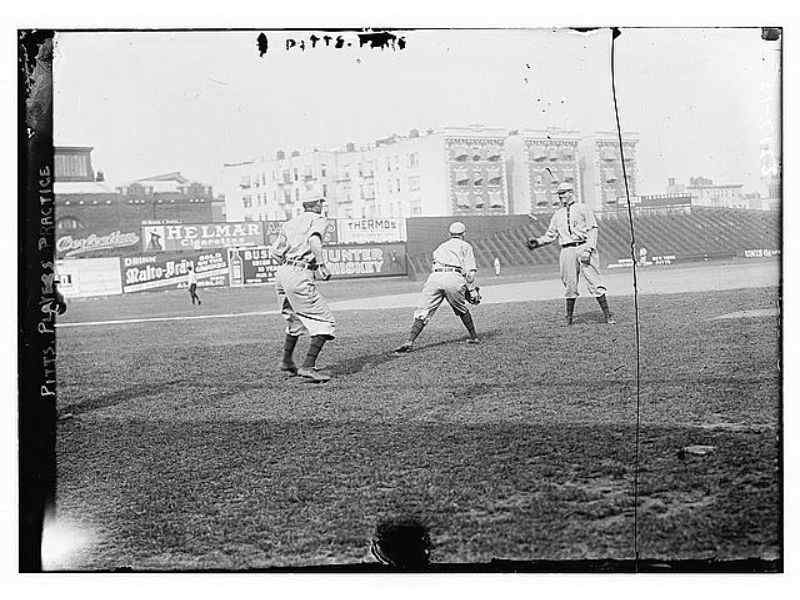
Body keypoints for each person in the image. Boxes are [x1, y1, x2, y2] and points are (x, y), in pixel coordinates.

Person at [526, 181, 615, 325]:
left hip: (584, 246)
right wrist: (538, 242)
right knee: (570, 285)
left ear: (571, 192)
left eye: (563, 193)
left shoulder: (583, 208)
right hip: (567, 249)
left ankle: (607, 315)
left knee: (594, 282)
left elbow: (593, 229)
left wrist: (589, 249)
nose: (561, 197)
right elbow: (551, 235)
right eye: (559, 194)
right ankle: (569, 318)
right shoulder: (557, 214)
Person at [269, 198, 335, 382]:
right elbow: (314, 239)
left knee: (294, 322)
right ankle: (308, 367)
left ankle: (287, 361)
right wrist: (321, 264)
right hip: (300, 272)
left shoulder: (290, 223)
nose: (322, 206)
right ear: (316, 205)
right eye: (321, 203)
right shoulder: (318, 219)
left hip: (282, 273)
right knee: (325, 321)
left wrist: (288, 267)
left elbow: (274, 252)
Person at [394, 221, 479, 352]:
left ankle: (410, 341)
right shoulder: (466, 246)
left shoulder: (441, 247)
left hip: (435, 278)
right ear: (464, 234)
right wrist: (471, 290)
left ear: (449, 234)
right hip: (453, 276)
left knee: (423, 311)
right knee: (461, 309)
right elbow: (470, 275)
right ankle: (474, 337)